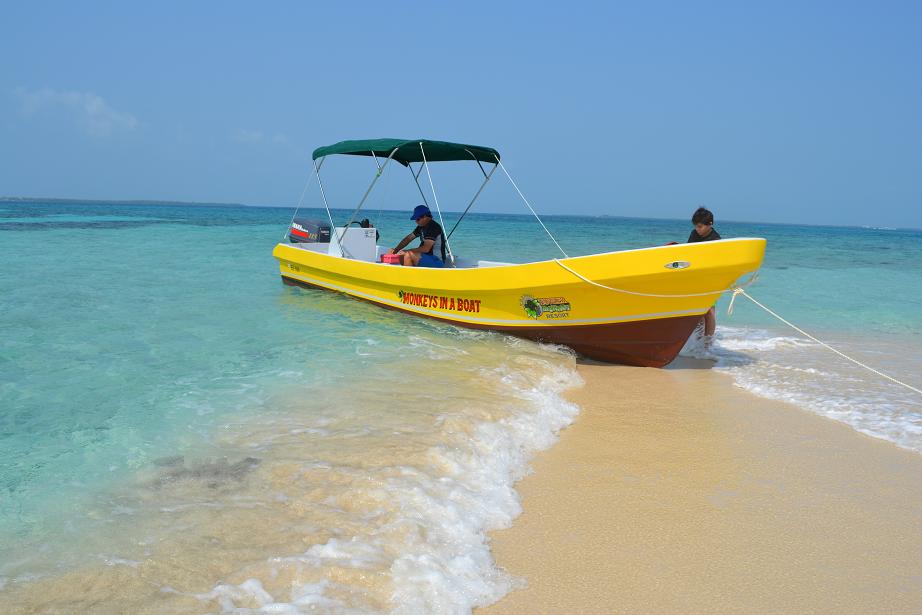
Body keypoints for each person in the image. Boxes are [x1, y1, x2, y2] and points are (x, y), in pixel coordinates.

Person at [687, 207, 721, 343]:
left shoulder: (716, 240)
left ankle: (707, 343)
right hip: (696, 277)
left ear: (710, 224)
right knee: (698, 311)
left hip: (711, 278)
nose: (697, 229)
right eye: (696, 226)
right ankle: (698, 341)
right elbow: (688, 253)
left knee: (709, 310)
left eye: (700, 226)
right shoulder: (694, 234)